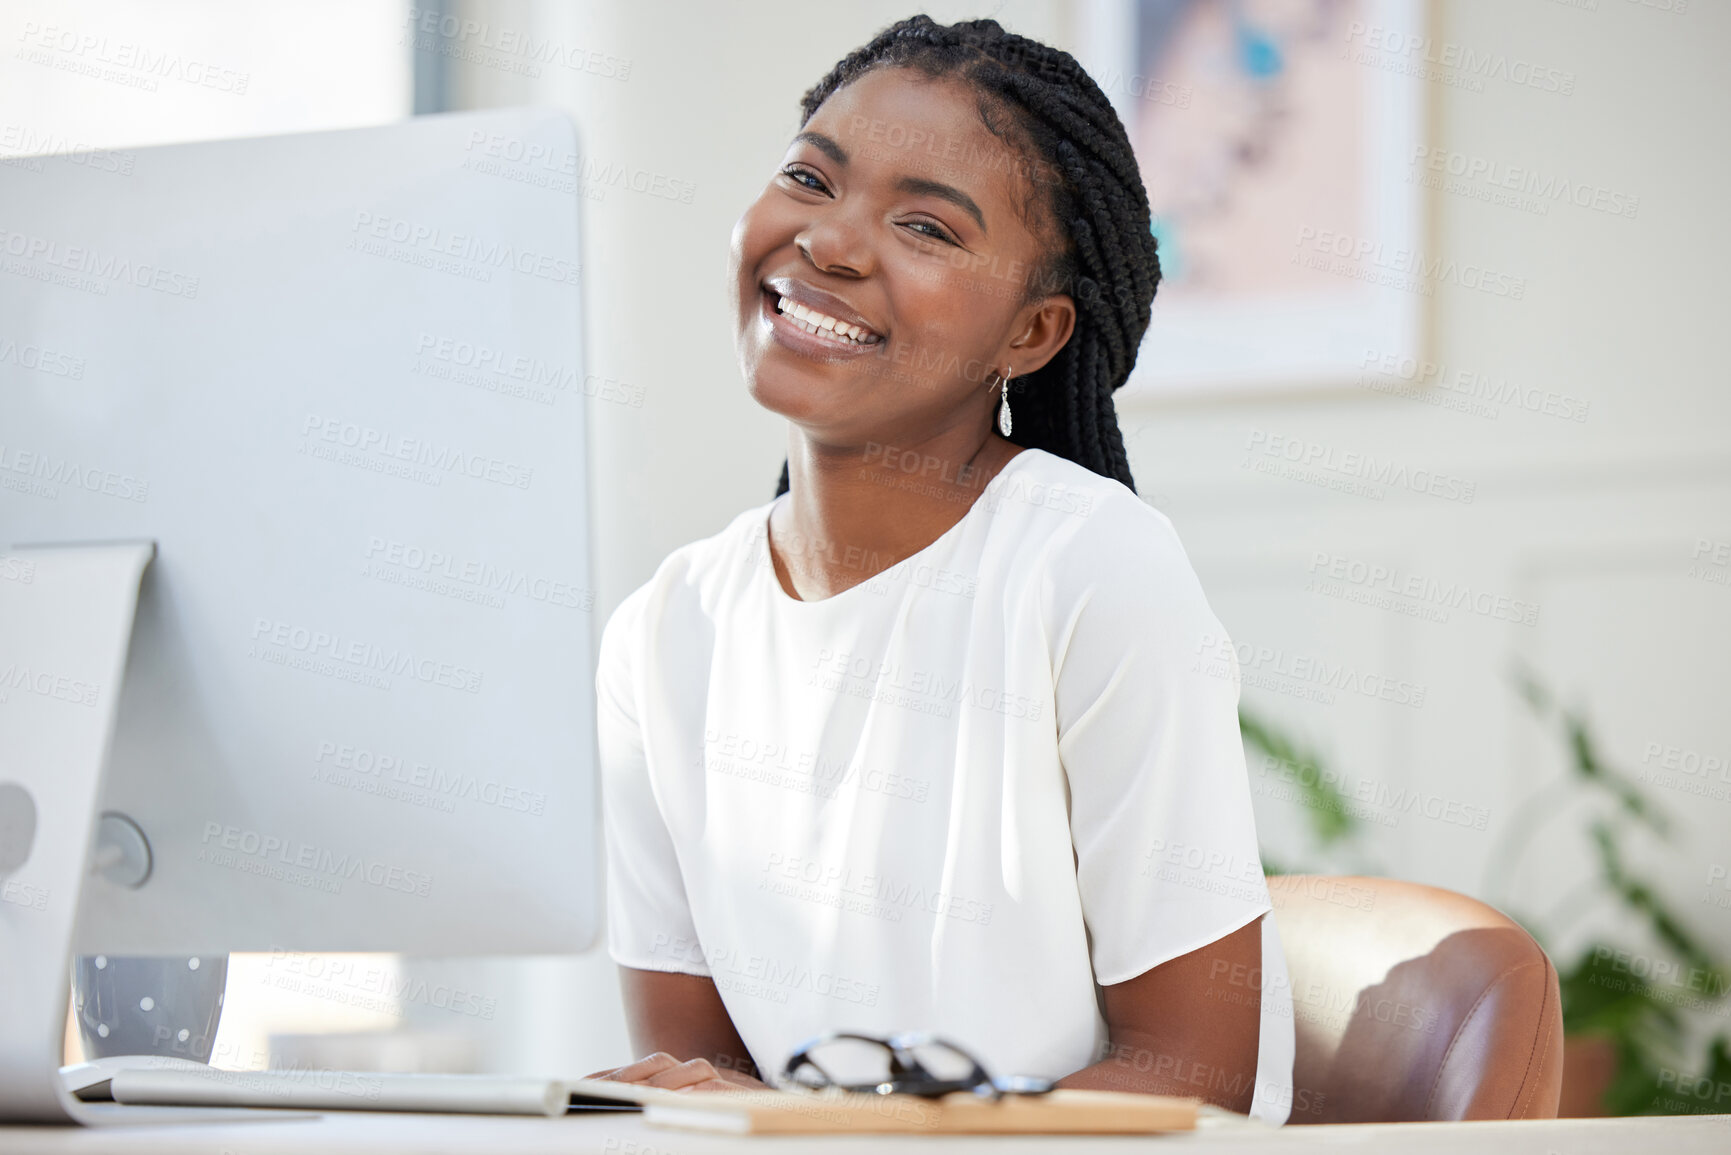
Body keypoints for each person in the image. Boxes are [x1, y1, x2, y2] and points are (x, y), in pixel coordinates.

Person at [588, 14, 1294, 1123]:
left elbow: (1194, 1077)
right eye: (809, 179)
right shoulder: (662, 631)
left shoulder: (1092, 571)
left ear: (1033, 332)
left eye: (925, 225)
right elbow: (700, 1086)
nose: (830, 242)